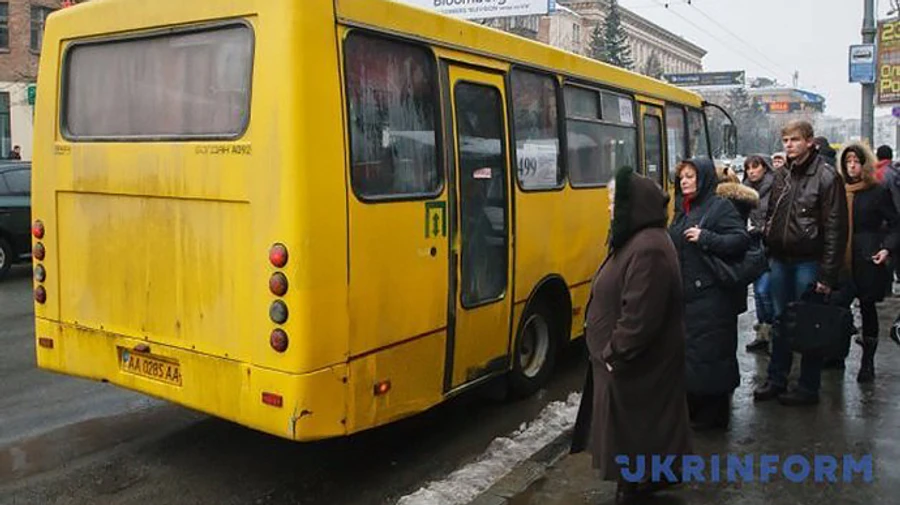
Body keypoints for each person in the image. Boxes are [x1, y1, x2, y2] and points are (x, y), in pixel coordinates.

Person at [571, 166, 692, 504]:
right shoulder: (640, 240)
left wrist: (614, 353)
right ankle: (638, 484)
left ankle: (636, 489)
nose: (609, 208)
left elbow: (640, 317)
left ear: (632, 205)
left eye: (613, 201)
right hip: (633, 364)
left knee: (639, 429)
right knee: (638, 429)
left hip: (636, 364)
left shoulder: (648, 247)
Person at [754, 120, 848, 406]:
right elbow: (771, 214)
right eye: (785, 140)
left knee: (809, 325)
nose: (789, 145)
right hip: (781, 259)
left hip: (809, 261)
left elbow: (836, 228)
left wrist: (827, 275)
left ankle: (808, 387)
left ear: (810, 142)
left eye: (794, 140)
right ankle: (776, 378)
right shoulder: (781, 176)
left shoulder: (827, 177)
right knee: (781, 321)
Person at [669, 158, 750, 431]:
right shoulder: (682, 209)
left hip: (713, 297)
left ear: (703, 178)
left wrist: (707, 238)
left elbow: (740, 240)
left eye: (690, 176)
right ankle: (694, 409)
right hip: (688, 297)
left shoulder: (720, 207)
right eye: (682, 177)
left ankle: (715, 417)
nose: (684, 181)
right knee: (693, 356)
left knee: (713, 355)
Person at [827, 143, 900, 381]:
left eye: (856, 161)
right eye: (847, 162)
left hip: (868, 256)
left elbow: (895, 223)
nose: (852, 166)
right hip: (841, 257)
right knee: (838, 306)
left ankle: (867, 362)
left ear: (865, 163)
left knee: (867, 308)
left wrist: (886, 248)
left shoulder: (876, 191)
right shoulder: (838, 190)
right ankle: (836, 355)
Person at [741, 155, 777, 353]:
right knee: (758, 292)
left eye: (755, 167)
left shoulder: (774, 187)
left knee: (764, 291)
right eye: (748, 168)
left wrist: (760, 228)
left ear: (764, 168)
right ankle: (762, 334)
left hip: (769, 246)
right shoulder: (745, 189)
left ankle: (772, 331)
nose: (751, 172)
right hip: (752, 247)